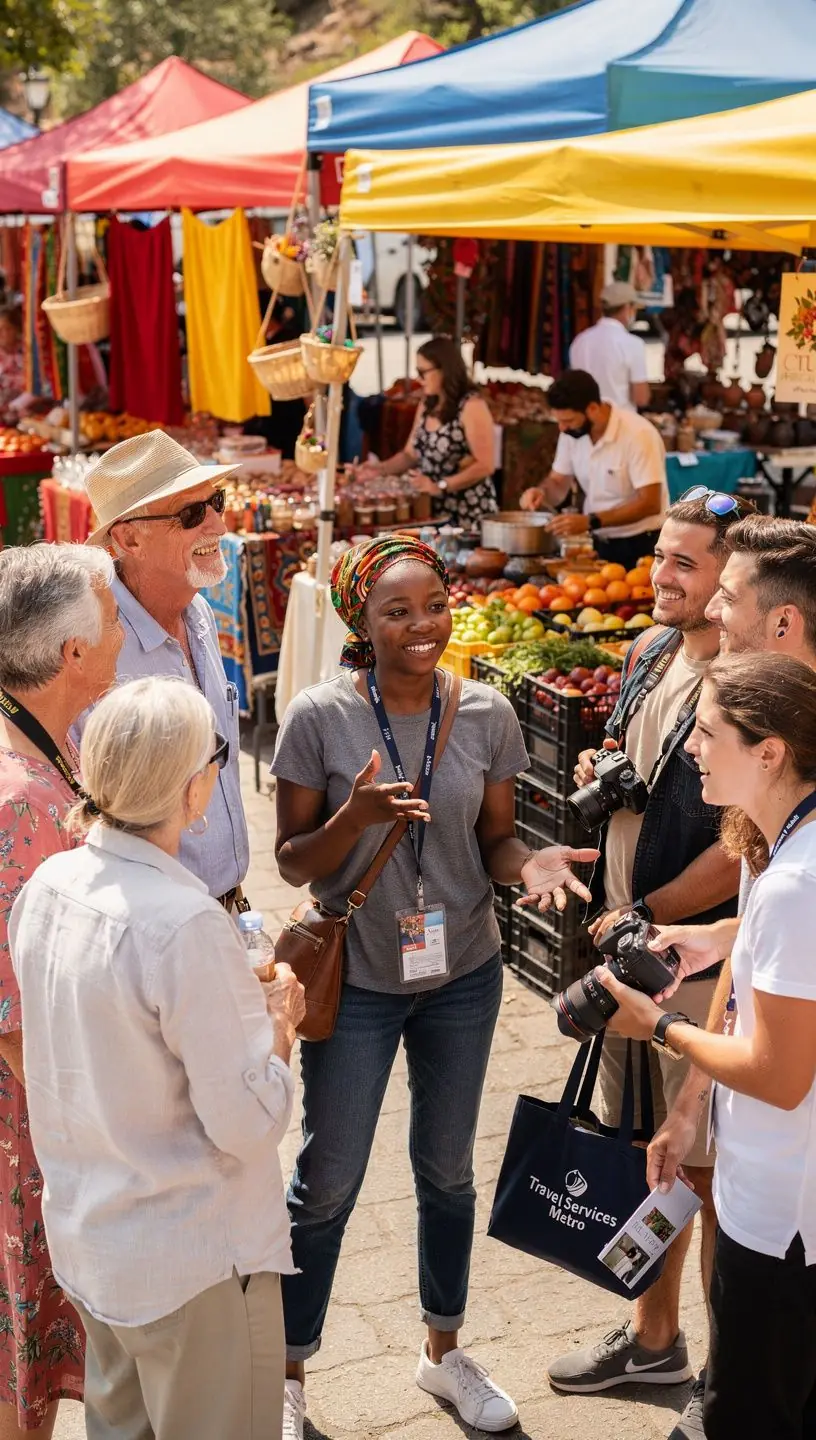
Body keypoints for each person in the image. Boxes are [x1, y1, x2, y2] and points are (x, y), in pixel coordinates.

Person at [271, 534, 600, 1440]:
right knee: (328, 1179)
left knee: (446, 1170)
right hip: (361, 980)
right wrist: (357, 816)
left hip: (464, 973)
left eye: (434, 605)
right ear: (360, 621)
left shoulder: (487, 711)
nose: (424, 626)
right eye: (397, 611)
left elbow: (493, 842)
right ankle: (290, 1372)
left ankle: (442, 1352)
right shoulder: (318, 716)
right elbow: (294, 860)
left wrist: (525, 858)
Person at [9, 676, 306, 1440]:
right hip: (192, 1259)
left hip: (96, 1238)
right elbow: (245, 1123)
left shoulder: (47, 884)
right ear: (194, 789)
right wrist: (280, 1030)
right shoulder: (181, 922)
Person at [546, 490, 748, 1432]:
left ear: (730, 581)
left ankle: (725, 1377)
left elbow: (738, 844)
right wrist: (602, 769)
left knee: (706, 1169)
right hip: (627, 940)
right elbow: (642, 766)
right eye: (659, 556)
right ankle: (655, 1341)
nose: (663, 576)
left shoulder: (756, 681)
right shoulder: (648, 652)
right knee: (642, 1147)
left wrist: (650, 911)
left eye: (686, 564)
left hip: (695, 955)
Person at [597, 651, 816, 1440]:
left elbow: (780, 1075)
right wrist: (715, 939)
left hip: (784, 1218)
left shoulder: (796, 880)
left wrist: (658, 1024)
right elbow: (773, 945)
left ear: (769, 751)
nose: (690, 744)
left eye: (708, 730)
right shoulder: (778, 842)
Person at [0, 542, 124, 1438]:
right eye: (114, 617)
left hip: (50, 1113)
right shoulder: (20, 799)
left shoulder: (50, 738)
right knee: (20, 1365)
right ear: (72, 655)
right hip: (30, 1125)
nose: (126, 634)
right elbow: (14, 1015)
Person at [83, 429, 250, 909]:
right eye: (193, 513)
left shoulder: (197, 611)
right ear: (129, 538)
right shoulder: (94, 645)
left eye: (217, 501)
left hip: (222, 905)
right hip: (153, 923)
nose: (218, 525)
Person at [518, 369, 668, 570]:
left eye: (568, 421)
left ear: (593, 409)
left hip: (642, 544)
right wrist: (541, 493)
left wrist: (590, 521)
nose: (562, 428)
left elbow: (650, 503)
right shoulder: (571, 434)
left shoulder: (639, 434)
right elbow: (557, 482)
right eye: (559, 421)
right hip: (599, 542)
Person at [357, 337, 498, 526]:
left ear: (444, 370)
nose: (419, 379)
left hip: (467, 514)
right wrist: (378, 470)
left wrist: (441, 485)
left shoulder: (472, 406)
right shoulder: (427, 404)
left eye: (423, 372)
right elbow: (409, 455)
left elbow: (485, 465)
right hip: (433, 512)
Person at [569, 281, 651, 413]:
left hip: (588, 423)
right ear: (626, 308)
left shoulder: (580, 341)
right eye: (633, 308)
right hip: (619, 424)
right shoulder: (633, 344)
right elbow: (641, 398)